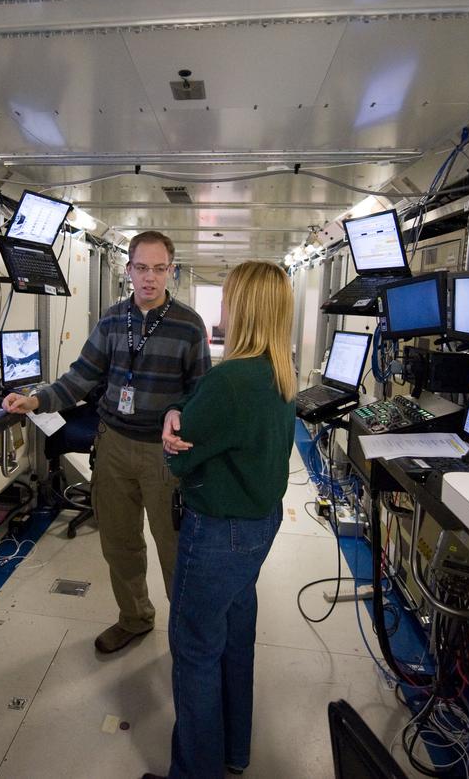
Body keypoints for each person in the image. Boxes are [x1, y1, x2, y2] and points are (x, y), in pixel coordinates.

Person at [2, 231, 209, 654]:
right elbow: (81, 377)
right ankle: (134, 617)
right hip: (113, 445)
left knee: (173, 549)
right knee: (119, 543)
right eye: (141, 268)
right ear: (128, 269)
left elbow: (201, 391)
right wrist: (36, 399)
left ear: (170, 270)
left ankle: (188, 638)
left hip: (162, 454)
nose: (149, 278)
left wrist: (182, 416)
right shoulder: (113, 320)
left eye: (158, 269)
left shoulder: (189, 325)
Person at [153, 261, 298, 779]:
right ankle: (233, 753)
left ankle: (195, 772)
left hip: (218, 532)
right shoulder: (279, 372)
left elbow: (179, 457)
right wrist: (180, 413)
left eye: (230, 298)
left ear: (244, 309)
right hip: (258, 526)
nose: (224, 308)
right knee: (235, 641)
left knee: (194, 651)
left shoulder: (232, 378)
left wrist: (173, 435)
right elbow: (196, 414)